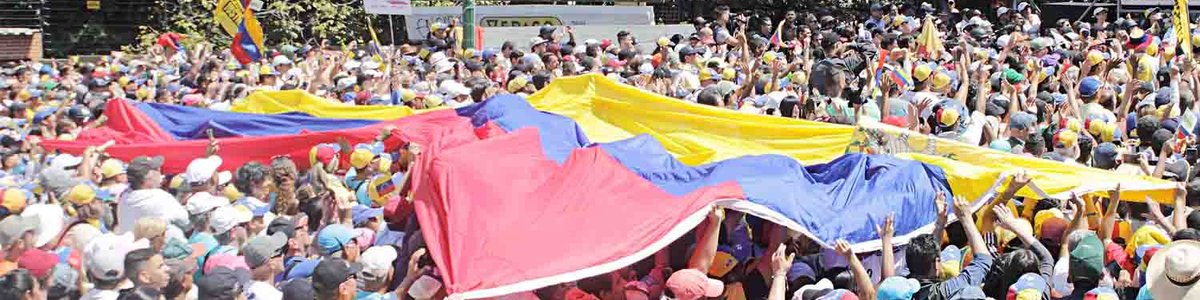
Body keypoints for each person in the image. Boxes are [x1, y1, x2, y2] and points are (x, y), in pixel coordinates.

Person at [117, 156, 188, 234]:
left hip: (131, 243)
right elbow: (185, 221)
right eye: (157, 169)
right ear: (148, 176)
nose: (160, 172)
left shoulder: (124, 196)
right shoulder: (160, 197)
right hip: (157, 244)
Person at [242, 233, 287, 300]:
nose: (283, 255)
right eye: (279, 252)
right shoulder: (273, 296)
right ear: (271, 263)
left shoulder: (243, 289)